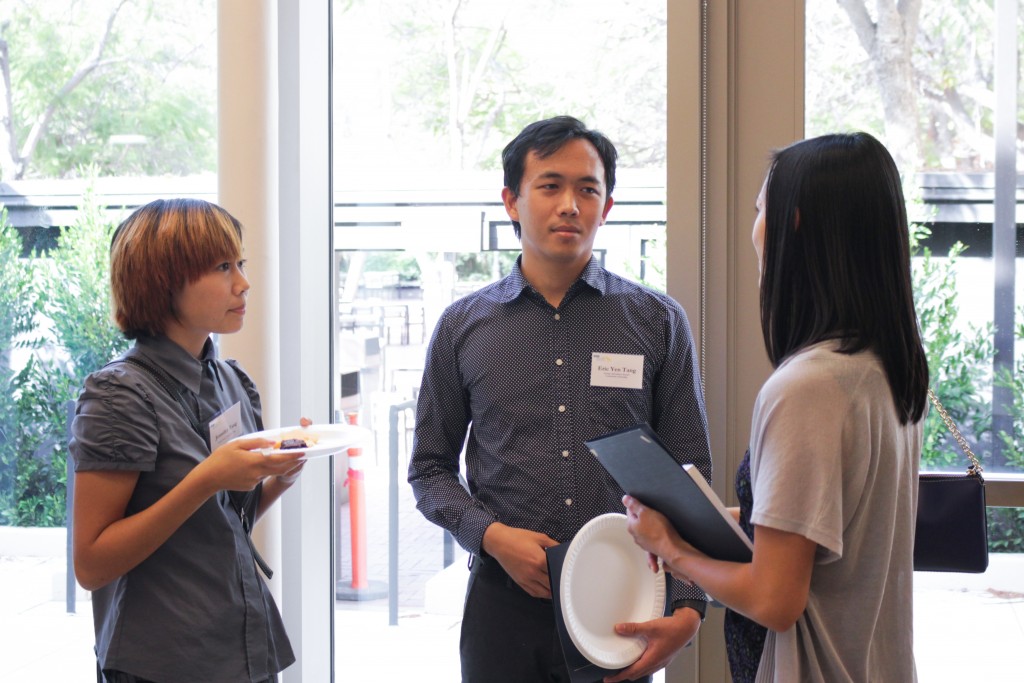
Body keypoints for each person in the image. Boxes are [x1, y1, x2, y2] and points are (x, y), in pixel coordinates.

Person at [408, 115, 713, 683]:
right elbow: (428, 469)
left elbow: (690, 476)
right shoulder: (464, 325)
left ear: (608, 206)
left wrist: (689, 605)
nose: (569, 204)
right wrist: (491, 536)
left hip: (623, 598)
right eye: (550, 186)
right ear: (512, 201)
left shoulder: (656, 320)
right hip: (503, 603)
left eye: (587, 189)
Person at [624, 132, 928, 682]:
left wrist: (670, 548)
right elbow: (827, 532)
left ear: (794, 226)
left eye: (761, 209)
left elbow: (773, 598)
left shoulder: (807, 388)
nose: (754, 230)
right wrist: (707, 520)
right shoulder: (886, 369)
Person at [70, 198, 306, 683]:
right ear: (164, 281)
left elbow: (219, 521)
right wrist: (206, 479)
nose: (243, 282)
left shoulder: (231, 381)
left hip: (242, 645)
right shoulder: (119, 394)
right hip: (163, 661)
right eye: (223, 267)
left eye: (239, 263)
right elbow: (91, 564)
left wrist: (276, 480)